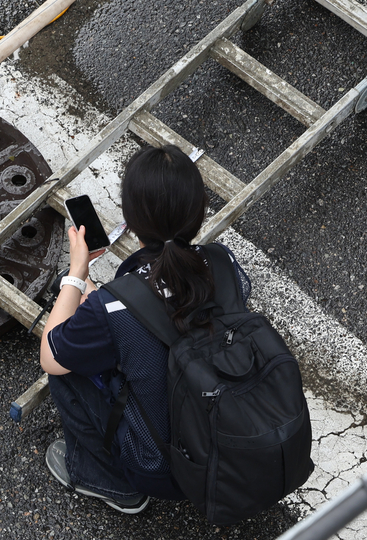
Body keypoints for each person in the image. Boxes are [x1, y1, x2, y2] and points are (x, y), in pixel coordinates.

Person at [37, 144, 251, 512]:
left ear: (130, 221)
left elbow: (51, 357)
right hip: (233, 440)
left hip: (165, 468)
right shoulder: (222, 262)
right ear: (198, 213)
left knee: (67, 369)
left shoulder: (113, 308)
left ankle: (109, 481)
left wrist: (76, 275)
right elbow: (168, 305)